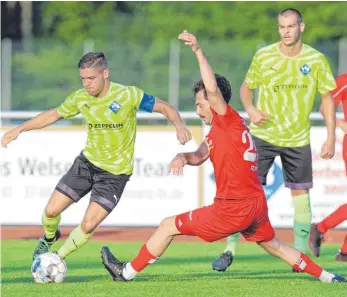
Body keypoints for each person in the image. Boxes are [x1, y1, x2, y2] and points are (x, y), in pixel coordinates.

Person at [100, 31, 345, 283]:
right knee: (276, 247)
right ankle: (328, 277)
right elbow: (200, 155)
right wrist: (184, 157)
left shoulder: (226, 119)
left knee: (168, 225)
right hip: (255, 205)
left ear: (215, 102)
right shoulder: (223, 129)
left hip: (233, 207)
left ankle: (126, 273)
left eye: (199, 104)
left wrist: (197, 51)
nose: (197, 110)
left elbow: (212, 89)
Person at [1, 52, 192, 261]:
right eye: (83, 79)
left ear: (105, 73)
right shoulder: (80, 98)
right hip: (87, 164)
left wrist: (179, 125)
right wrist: (19, 129)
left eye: (91, 78)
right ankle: (48, 238)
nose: (87, 84)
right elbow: (52, 114)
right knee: (51, 211)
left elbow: (165, 107)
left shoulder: (128, 95)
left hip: (114, 174)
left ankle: (56, 258)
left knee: (88, 224)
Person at [212, 8, 337, 272]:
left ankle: (301, 256)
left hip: (297, 138)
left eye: (291, 26)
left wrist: (329, 137)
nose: (286, 32)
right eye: (282, 27)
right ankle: (228, 249)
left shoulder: (316, 59)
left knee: (301, 194)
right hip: (263, 137)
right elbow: (246, 87)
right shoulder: (264, 55)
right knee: (242, 192)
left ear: (301, 27)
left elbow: (327, 99)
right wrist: (252, 110)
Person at [309, 73, 347, 261]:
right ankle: (320, 228)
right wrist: (341, 125)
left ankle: (345, 252)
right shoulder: (345, 80)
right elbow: (325, 107)